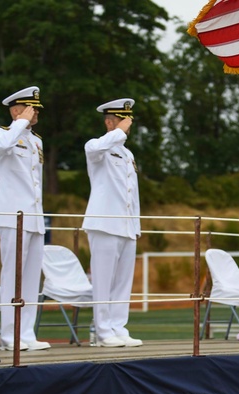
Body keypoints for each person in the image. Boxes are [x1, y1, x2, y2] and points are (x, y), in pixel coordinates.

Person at [0, 86, 50, 352]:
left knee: (30, 277)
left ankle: (26, 332)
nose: (35, 112)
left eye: (35, 109)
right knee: (11, 276)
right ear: (16, 110)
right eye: (29, 108)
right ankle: (8, 334)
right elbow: (4, 145)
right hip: (12, 215)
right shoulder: (2, 134)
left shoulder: (36, 141)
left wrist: (25, 124)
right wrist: (21, 121)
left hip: (34, 216)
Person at [81, 98, 143, 348]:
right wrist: (118, 132)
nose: (127, 126)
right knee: (103, 280)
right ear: (109, 122)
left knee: (122, 282)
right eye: (122, 120)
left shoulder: (128, 154)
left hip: (126, 225)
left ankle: (119, 326)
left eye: (128, 121)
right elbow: (96, 149)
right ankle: (103, 329)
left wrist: (136, 225)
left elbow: (131, 193)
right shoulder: (97, 147)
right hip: (104, 223)